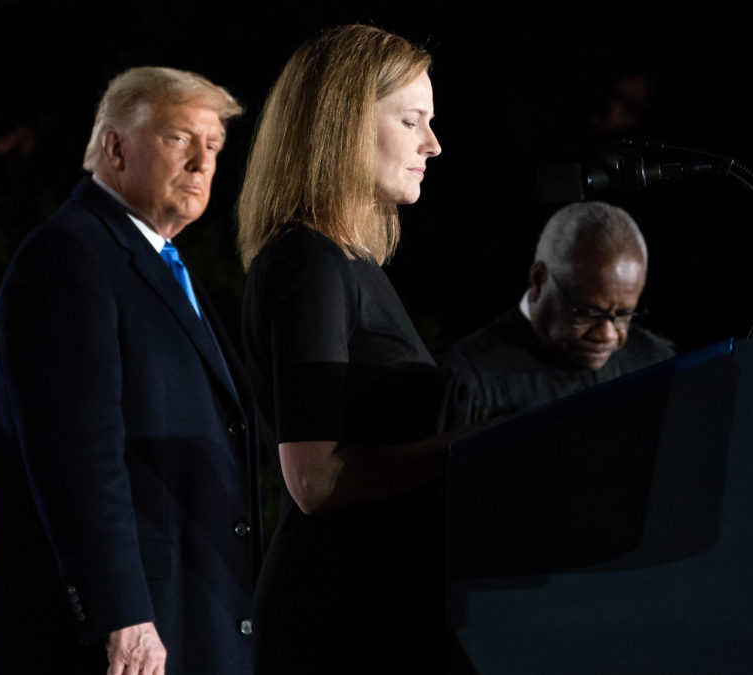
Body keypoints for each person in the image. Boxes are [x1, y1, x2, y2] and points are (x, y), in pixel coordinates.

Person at [0, 67, 260, 675]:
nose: (204, 163)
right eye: (180, 138)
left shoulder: (161, 264)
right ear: (115, 147)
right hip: (124, 639)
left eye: (215, 147)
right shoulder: (70, 256)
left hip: (188, 618)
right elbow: (76, 454)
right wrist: (120, 615)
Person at [236, 24, 460, 674]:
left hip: (370, 606)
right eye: (413, 120)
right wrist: (471, 446)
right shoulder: (310, 261)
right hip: (335, 618)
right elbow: (313, 477)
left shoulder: (345, 262)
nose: (433, 144)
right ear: (345, 122)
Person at [439, 201, 676, 429]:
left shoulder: (655, 360)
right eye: (587, 313)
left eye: (623, 314)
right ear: (539, 280)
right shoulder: (472, 384)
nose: (608, 335)